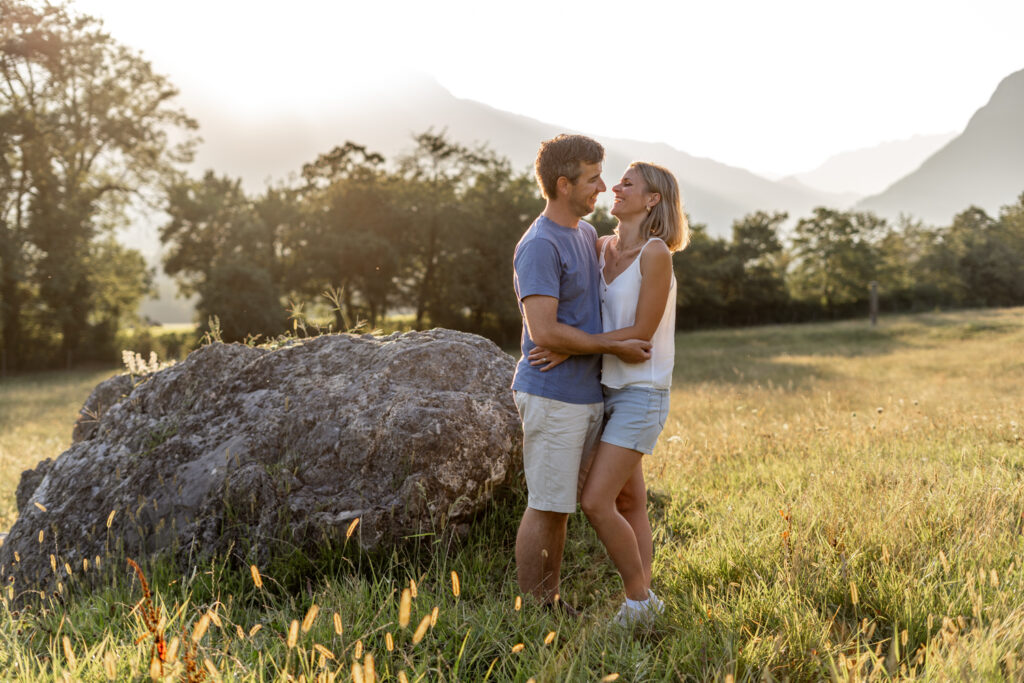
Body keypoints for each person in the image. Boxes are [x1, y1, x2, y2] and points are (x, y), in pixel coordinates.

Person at [530, 162, 689, 625]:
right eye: (615, 181)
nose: (614, 188)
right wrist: (569, 345)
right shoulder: (600, 247)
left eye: (627, 184)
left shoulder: (656, 254)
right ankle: (644, 597)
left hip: (643, 393)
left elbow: (640, 336)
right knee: (628, 501)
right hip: (604, 386)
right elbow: (588, 320)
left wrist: (574, 347)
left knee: (596, 501)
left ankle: (641, 602)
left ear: (652, 200)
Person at [511, 135, 652, 613]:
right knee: (547, 505)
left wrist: (574, 347)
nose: (603, 186)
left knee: (565, 507)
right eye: (593, 179)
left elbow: (574, 321)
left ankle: (556, 600)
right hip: (552, 394)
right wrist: (599, 345)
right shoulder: (539, 245)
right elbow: (544, 329)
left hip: (585, 391)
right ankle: (536, 609)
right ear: (563, 183)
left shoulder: (585, 235)